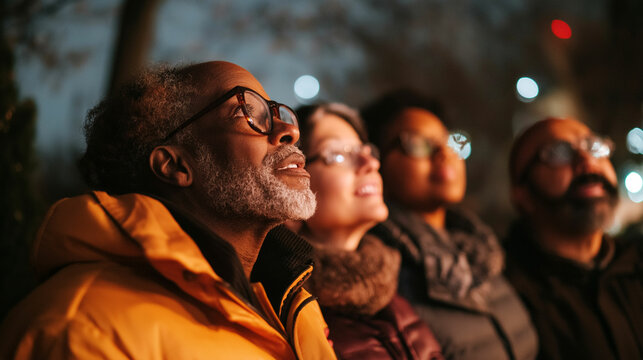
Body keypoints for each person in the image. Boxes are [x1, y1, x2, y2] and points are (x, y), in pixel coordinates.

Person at [0, 61, 337, 359]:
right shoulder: (83, 329)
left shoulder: (293, 307)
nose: (289, 131)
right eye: (247, 112)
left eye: (278, 112)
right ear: (175, 165)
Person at [362, 89, 538, 360]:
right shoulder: (380, 272)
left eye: (448, 141)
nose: (443, 153)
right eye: (418, 143)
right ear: (377, 162)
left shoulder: (484, 254)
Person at [291, 102, 444, 360]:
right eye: (338, 154)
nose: (369, 162)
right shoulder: (289, 311)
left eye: (366, 150)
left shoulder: (389, 284)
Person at [504, 117, 643, 360]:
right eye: (558, 152)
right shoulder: (503, 294)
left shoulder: (636, 266)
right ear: (521, 196)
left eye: (595, 147)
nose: (587, 161)